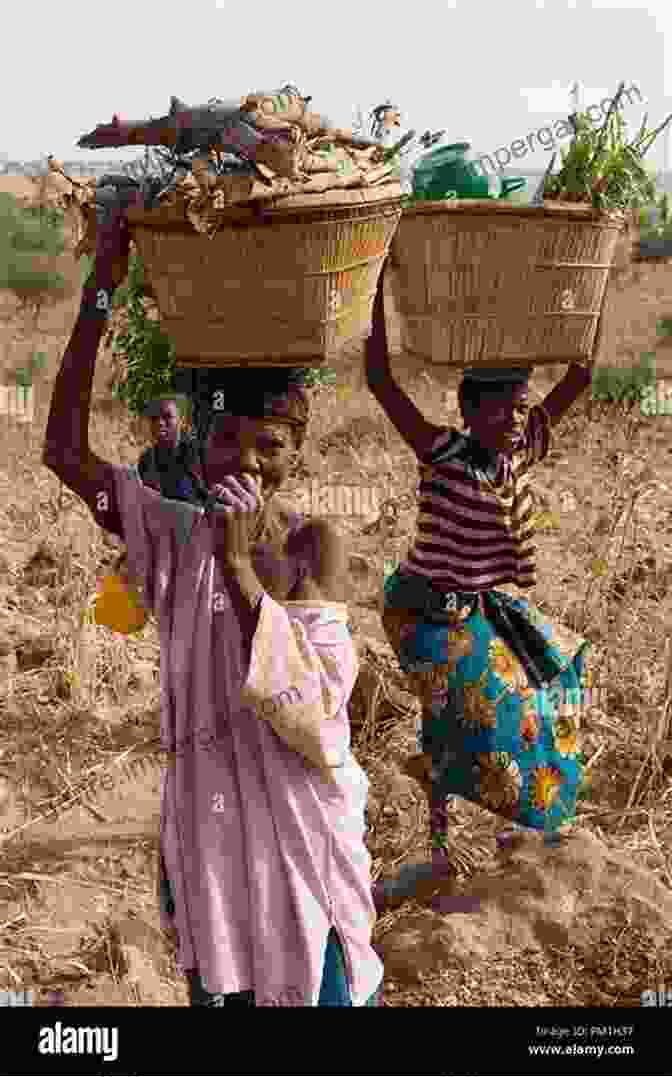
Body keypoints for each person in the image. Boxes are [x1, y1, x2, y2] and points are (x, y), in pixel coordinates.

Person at [41, 193, 383, 1006]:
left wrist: (239, 567)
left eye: (269, 445)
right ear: (201, 444)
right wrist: (101, 289)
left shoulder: (312, 548)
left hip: (302, 857)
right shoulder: (172, 533)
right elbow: (61, 449)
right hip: (212, 843)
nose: (247, 461)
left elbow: (310, 709)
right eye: (228, 439)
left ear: (295, 454)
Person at [366, 260, 595, 912]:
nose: (516, 419)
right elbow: (380, 379)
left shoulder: (519, 453)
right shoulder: (443, 451)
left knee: (550, 679)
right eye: (501, 408)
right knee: (452, 714)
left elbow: (579, 375)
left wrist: (591, 294)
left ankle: (512, 812)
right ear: (469, 410)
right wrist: (381, 281)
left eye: (522, 407)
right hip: (417, 611)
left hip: (474, 611)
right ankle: (439, 844)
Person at [137, 395, 208, 504]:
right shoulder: (147, 459)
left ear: (181, 422)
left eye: (167, 416)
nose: (160, 423)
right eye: (154, 418)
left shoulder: (198, 454)